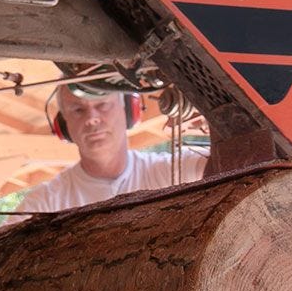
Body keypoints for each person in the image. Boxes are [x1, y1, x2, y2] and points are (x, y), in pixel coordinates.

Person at [15, 85, 206, 215]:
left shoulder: (173, 171)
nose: (91, 118)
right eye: (78, 110)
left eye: (102, 105)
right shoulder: (44, 203)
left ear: (130, 111)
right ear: (64, 126)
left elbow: (231, 167)